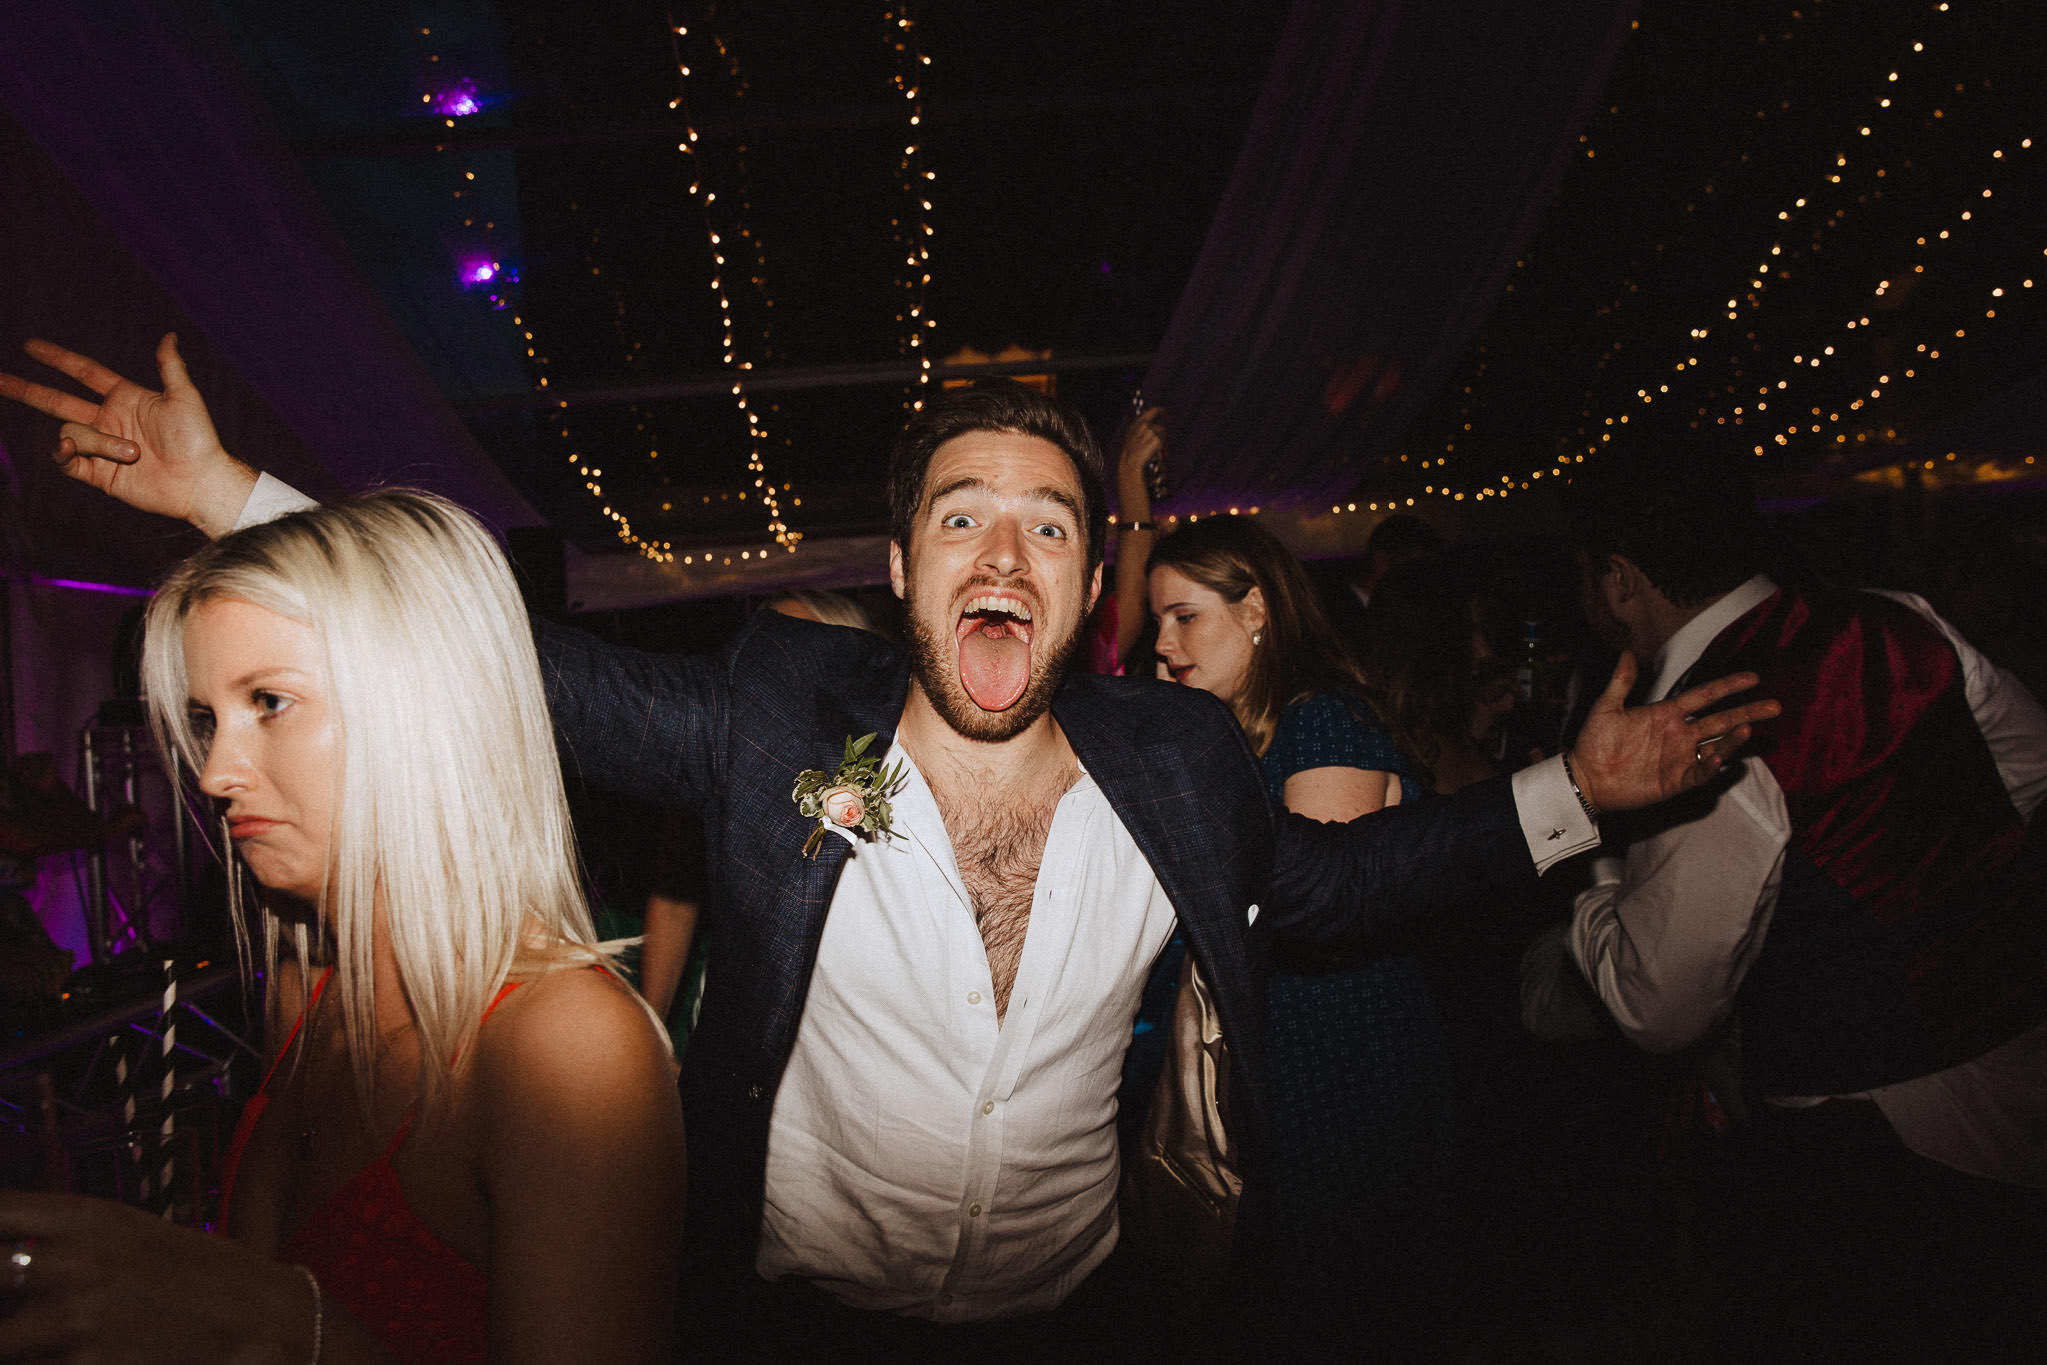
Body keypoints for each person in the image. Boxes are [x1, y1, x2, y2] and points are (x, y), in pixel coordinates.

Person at [1, 337, 1772, 1356]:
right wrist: (247, 506)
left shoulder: (1176, 759)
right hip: (800, 1328)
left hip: (1092, 1319)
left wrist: (1573, 798)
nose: (1001, 550)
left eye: (1047, 526)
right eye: (959, 516)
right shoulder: (779, 713)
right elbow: (496, 658)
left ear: (1088, 587)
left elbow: (1334, 891)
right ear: (907, 574)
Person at [0, 491, 686, 1365]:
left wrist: (278, 1325)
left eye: (269, 702)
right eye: (208, 718)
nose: (213, 773)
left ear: (424, 713)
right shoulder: (305, 989)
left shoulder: (568, 1048)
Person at [1521, 450, 2047, 1360]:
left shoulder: (1700, 727)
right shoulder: (1894, 618)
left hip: (1871, 1149)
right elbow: (2029, 768)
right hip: (2017, 1073)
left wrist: (1594, 876)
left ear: (1617, 580)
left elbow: (1658, 1004)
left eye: (1583, 571)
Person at [1147, 514, 1451, 1350]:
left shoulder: (1316, 725)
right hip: (1293, 1064)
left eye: (1185, 616)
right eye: (1156, 622)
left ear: (1256, 612)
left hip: (1343, 1061)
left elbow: (1311, 921)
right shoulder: (1247, 737)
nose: (1164, 642)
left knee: (1345, 1309)